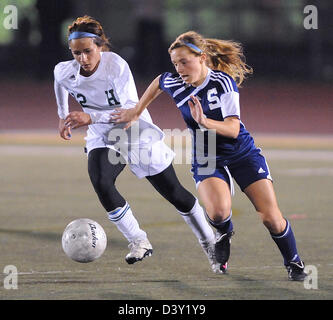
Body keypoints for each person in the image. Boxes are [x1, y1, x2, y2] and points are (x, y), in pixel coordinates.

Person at [111, 31, 307, 281]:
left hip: (241, 153)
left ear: (202, 58)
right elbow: (159, 82)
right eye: (175, 63)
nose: (179, 69)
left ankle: (293, 261)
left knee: (271, 218)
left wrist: (205, 121)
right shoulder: (176, 82)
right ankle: (224, 234)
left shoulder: (222, 82)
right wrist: (136, 111)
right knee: (217, 213)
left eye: (184, 62)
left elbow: (233, 129)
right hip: (206, 154)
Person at [54, 17, 223, 273]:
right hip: (102, 133)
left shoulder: (116, 66)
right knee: (100, 179)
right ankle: (138, 240)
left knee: (174, 193)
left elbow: (129, 112)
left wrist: (89, 117)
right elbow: (59, 83)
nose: (83, 59)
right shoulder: (63, 70)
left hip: (134, 130)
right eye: (76, 53)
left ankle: (210, 242)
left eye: (88, 51)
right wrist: (62, 115)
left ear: (100, 46)